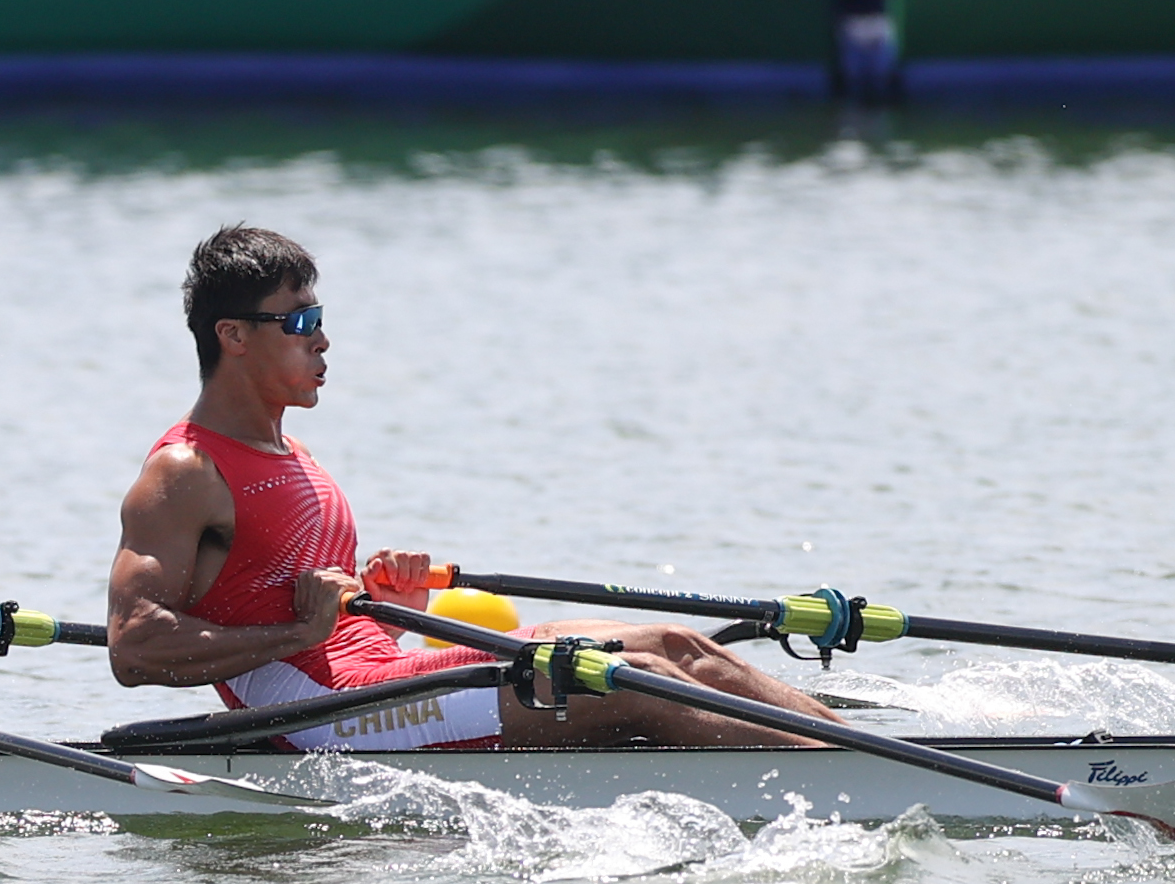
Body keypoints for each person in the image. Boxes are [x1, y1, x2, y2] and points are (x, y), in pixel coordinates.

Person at [104, 225, 847, 751]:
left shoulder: (293, 454)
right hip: (318, 714)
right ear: (233, 336)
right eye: (300, 321)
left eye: (320, 318)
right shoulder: (184, 472)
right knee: (636, 680)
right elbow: (133, 649)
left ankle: (859, 747)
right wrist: (298, 634)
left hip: (375, 675)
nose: (322, 339)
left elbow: (298, 608)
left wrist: (392, 612)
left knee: (675, 642)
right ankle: (862, 784)